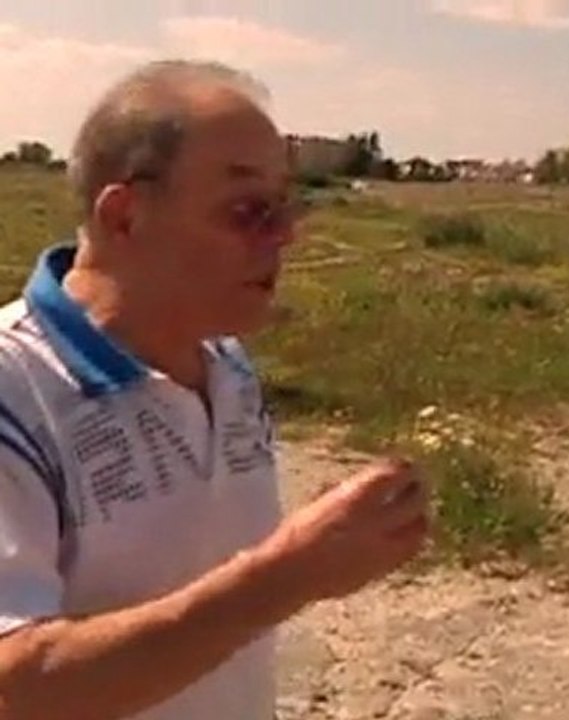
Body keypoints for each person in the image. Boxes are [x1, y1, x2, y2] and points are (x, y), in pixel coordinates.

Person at [0, 60, 427, 720]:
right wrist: (289, 575)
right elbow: (15, 689)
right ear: (126, 216)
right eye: (248, 210)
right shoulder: (15, 389)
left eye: (286, 205)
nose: (286, 234)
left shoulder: (226, 366)